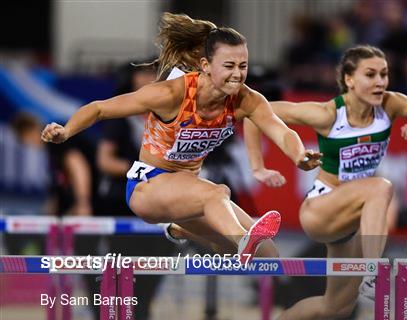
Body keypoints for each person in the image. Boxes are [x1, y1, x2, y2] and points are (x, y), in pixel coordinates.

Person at [239, 45, 407, 320]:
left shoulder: (392, 104)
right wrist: (258, 166)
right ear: (349, 80)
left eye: (384, 74)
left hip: (350, 222)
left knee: (335, 305)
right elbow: (255, 113)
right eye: (370, 75)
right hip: (320, 210)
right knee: (381, 187)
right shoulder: (327, 114)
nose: (380, 82)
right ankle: (374, 272)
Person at [41, 13, 322, 265]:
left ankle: (183, 230)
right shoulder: (170, 94)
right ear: (205, 65)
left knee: (268, 255)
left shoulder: (247, 100)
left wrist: (299, 155)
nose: (238, 74)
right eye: (229, 65)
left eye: (243, 65)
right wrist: (66, 131)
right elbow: (100, 108)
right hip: (148, 187)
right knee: (218, 193)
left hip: (187, 192)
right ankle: (242, 241)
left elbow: (280, 130)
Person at [85, 61, 173, 320]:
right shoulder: (121, 117)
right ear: (131, 79)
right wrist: (141, 170)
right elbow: (105, 161)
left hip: (160, 209)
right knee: (117, 279)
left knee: (151, 280)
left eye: (155, 73)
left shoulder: (168, 113)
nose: (150, 77)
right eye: (144, 72)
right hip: (121, 207)